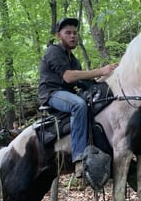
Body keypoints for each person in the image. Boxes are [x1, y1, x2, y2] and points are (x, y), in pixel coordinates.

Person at [38, 17, 118, 177]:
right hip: (51, 94)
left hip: (67, 94)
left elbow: (86, 82)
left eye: (75, 33)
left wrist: (110, 77)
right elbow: (68, 77)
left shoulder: (73, 60)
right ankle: (79, 158)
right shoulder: (53, 51)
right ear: (59, 36)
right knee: (78, 105)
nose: (73, 36)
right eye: (68, 33)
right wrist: (100, 71)